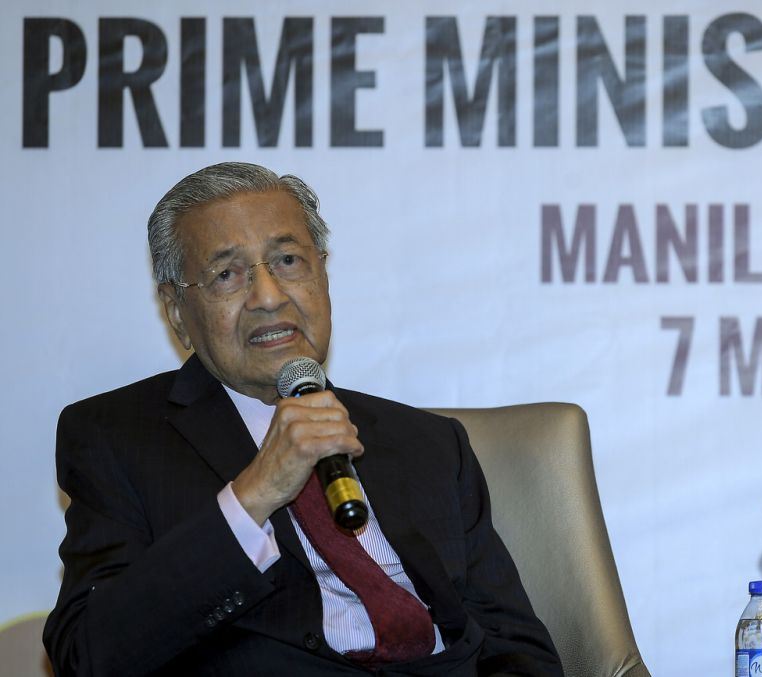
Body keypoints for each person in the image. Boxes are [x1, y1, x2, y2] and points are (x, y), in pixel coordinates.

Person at [43, 162, 563, 676]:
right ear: (177, 311)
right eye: (227, 274)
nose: (269, 297)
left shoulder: (430, 443)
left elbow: (515, 646)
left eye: (288, 260)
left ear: (323, 275)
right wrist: (253, 495)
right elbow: (90, 655)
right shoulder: (115, 436)